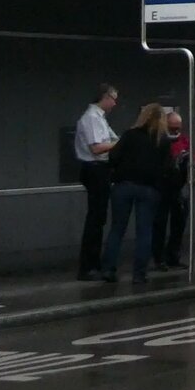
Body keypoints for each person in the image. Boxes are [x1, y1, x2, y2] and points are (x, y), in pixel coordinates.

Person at [102, 103, 171, 284]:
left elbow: (113, 157)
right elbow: (168, 167)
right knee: (145, 232)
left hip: (123, 186)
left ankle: (108, 270)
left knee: (117, 229)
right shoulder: (162, 140)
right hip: (149, 189)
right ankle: (139, 274)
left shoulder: (130, 135)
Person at [74, 84, 118, 281]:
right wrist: (120, 144)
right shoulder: (92, 118)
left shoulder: (99, 118)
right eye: (113, 98)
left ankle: (93, 263)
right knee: (95, 219)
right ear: (105, 97)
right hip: (95, 168)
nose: (115, 103)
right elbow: (97, 148)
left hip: (99, 169)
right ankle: (88, 266)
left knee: (98, 218)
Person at [152, 111, 190, 271]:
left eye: (178, 128)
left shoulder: (183, 140)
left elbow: (192, 157)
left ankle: (173, 256)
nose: (176, 131)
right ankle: (159, 258)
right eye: (172, 128)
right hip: (161, 186)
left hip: (177, 186)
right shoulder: (159, 140)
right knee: (159, 223)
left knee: (178, 223)